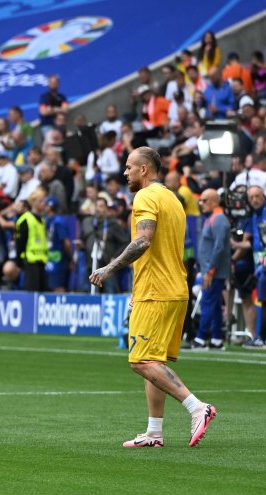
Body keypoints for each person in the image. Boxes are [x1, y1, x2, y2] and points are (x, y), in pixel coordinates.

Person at [89, 147, 217, 448]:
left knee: (141, 360)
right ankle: (154, 432)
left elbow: (144, 240)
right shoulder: (172, 198)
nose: (125, 173)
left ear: (144, 170)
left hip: (157, 291)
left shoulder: (145, 196)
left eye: (129, 167)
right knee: (154, 362)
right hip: (173, 288)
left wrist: (110, 266)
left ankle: (197, 407)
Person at [190, 188, 230, 350]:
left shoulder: (219, 219)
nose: (201, 203)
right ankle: (216, 339)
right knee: (212, 305)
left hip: (213, 271)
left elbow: (219, 247)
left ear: (215, 201)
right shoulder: (212, 218)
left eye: (205, 200)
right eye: (200, 200)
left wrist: (210, 271)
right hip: (209, 269)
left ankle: (200, 338)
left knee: (207, 302)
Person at [246, 185, 266, 347]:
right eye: (251, 197)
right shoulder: (255, 215)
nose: (255, 200)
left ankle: (262, 337)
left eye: (257, 196)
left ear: (264, 196)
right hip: (262, 262)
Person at [15, 188, 49, 292]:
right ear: (33, 202)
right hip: (30, 260)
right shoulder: (26, 219)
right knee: (31, 291)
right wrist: (19, 261)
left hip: (42, 260)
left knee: (42, 291)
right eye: (41, 201)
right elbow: (20, 242)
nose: (44, 204)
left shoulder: (42, 220)